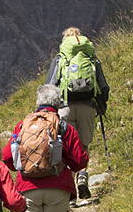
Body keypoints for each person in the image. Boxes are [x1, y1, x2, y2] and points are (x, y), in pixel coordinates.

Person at [45, 27, 106, 198]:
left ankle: (69, 188)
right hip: (87, 107)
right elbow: (103, 86)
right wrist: (101, 106)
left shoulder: (60, 59)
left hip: (65, 107)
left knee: (66, 146)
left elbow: (50, 85)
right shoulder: (91, 58)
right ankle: (82, 178)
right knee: (83, 144)